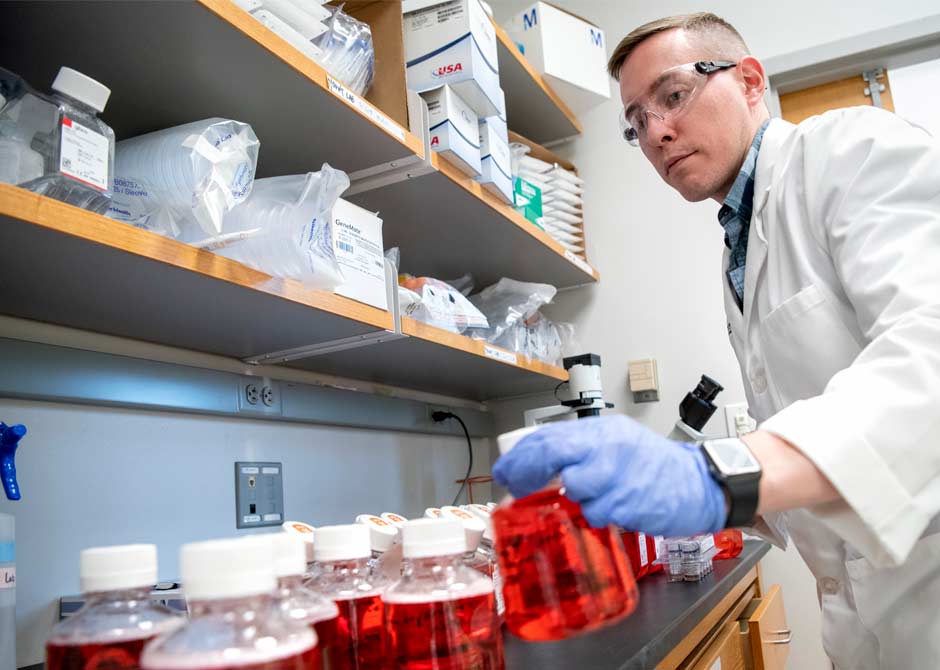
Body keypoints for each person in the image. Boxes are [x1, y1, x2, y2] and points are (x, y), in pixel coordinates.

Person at [492, 12, 940, 670]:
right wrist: (661, 497)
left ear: (750, 80)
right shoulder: (740, 241)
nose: (657, 133)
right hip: (867, 628)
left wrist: (712, 478)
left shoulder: (851, 150)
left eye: (673, 96)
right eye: (636, 123)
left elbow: (928, 356)